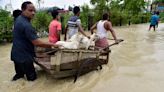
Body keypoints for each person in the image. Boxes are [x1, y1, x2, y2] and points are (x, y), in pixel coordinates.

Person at [11, 1, 59, 81]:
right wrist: (54, 45)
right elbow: (37, 42)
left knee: (19, 76)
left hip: (16, 54)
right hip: (25, 57)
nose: (33, 13)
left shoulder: (18, 19)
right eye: (30, 10)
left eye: (34, 11)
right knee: (32, 80)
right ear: (23, 10)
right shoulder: (26, 25)